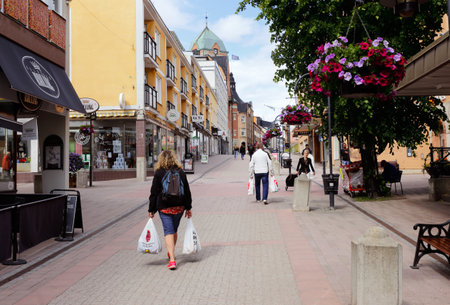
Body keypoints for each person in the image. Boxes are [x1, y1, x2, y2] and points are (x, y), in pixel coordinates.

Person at [148, 150, 192, 270]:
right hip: (179, 207)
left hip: (165, 206)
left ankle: (172, 260)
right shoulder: (181, 172)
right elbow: (187, 191)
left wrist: (151, 209)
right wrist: (188, 207)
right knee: (174, 230)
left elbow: (154, 192)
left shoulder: (159, 173)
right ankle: (171, 252)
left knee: (168, 231)